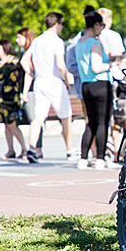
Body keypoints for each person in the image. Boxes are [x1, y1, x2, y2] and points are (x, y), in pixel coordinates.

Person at [23, 11, 78, 163]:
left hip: (40, 81)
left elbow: (25, 61)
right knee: (66, 117)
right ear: (57, 24)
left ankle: (32, 148)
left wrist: (32, 73)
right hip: (54, 81)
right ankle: (70, 150)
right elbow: (60, 65)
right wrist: (66, 80)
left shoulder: (37, 41)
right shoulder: (57, 41)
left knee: (38, 117)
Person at [75, 5, 122, 170]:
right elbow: (96, 67)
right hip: (101, 85)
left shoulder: (79, 42)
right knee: (102, 123)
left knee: (91, 123)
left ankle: (83, 158)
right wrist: (113, 64)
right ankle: (100, 159)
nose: (102, 30)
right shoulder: (94, 43)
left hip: (86, 85)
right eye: (101, 26)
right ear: (96, 26)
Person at [97, 7, 126, 163]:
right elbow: (120, 59)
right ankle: (117, 151)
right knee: (117, 117)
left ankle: (98, 154)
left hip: (96, 80)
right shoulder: (113, 36)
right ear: (109, 20)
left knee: (100, 118)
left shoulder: (92, 36)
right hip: (114, 78)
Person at [0, 39, 28, 160]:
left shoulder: (13, 62)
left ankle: (24, 148)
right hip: (1, 98)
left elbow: (21, 76)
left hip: (11, 97)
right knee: (6, 125)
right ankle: (10, 150)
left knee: (12, 124)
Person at [17, 27, 43, 159]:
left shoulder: (31, 52)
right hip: (32, 88)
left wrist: (25, 92)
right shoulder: (30, 51)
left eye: (19, 37)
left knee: (35, 119)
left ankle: (36, 148)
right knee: (36, 119)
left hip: (33, 89)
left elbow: (29, 73)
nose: (17, 41)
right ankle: (36, 148)